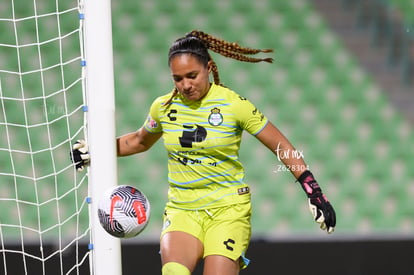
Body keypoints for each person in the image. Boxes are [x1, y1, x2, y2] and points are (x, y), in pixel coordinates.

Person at [72, 30, 336, 275]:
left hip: (228, 210)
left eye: (192, 76)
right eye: (177, 78)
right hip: (182, 209)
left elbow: (282, 146)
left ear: (208, 68)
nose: (185, 85)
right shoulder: (163, 107)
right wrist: (96, 150)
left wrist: (313, 191)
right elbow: (139, 141)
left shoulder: (234, 104)